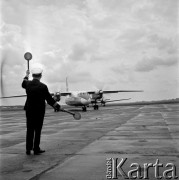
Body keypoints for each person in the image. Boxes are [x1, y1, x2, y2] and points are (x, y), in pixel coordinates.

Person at [22, 68, 61, 155]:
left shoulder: (27, 84)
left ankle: (28, 149)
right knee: (37, 129)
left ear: (32, 75)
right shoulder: (43, 86)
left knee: (30, 129)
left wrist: (26, 75)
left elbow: (23, 83)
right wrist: (57, 106)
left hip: (29, 110)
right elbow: (49, 99)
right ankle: (36, 148)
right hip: (39, 111)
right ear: (41, 76)